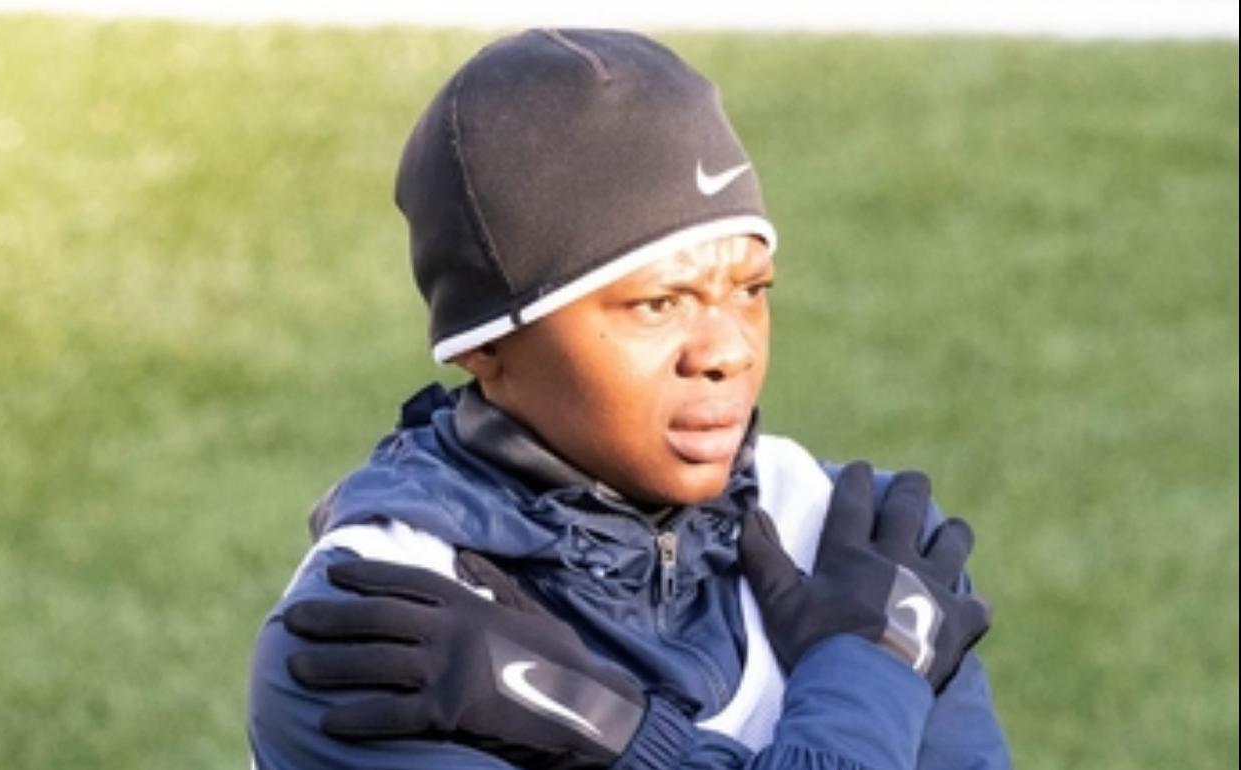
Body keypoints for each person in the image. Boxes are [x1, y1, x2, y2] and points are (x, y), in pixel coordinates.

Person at [246, 28, 1011, 770]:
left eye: (751, 290)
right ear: (484, 344)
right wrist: (871, 678)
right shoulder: (377, 632)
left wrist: (619, 733)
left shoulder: (862, 544)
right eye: (659, 303)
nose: (728, 351)